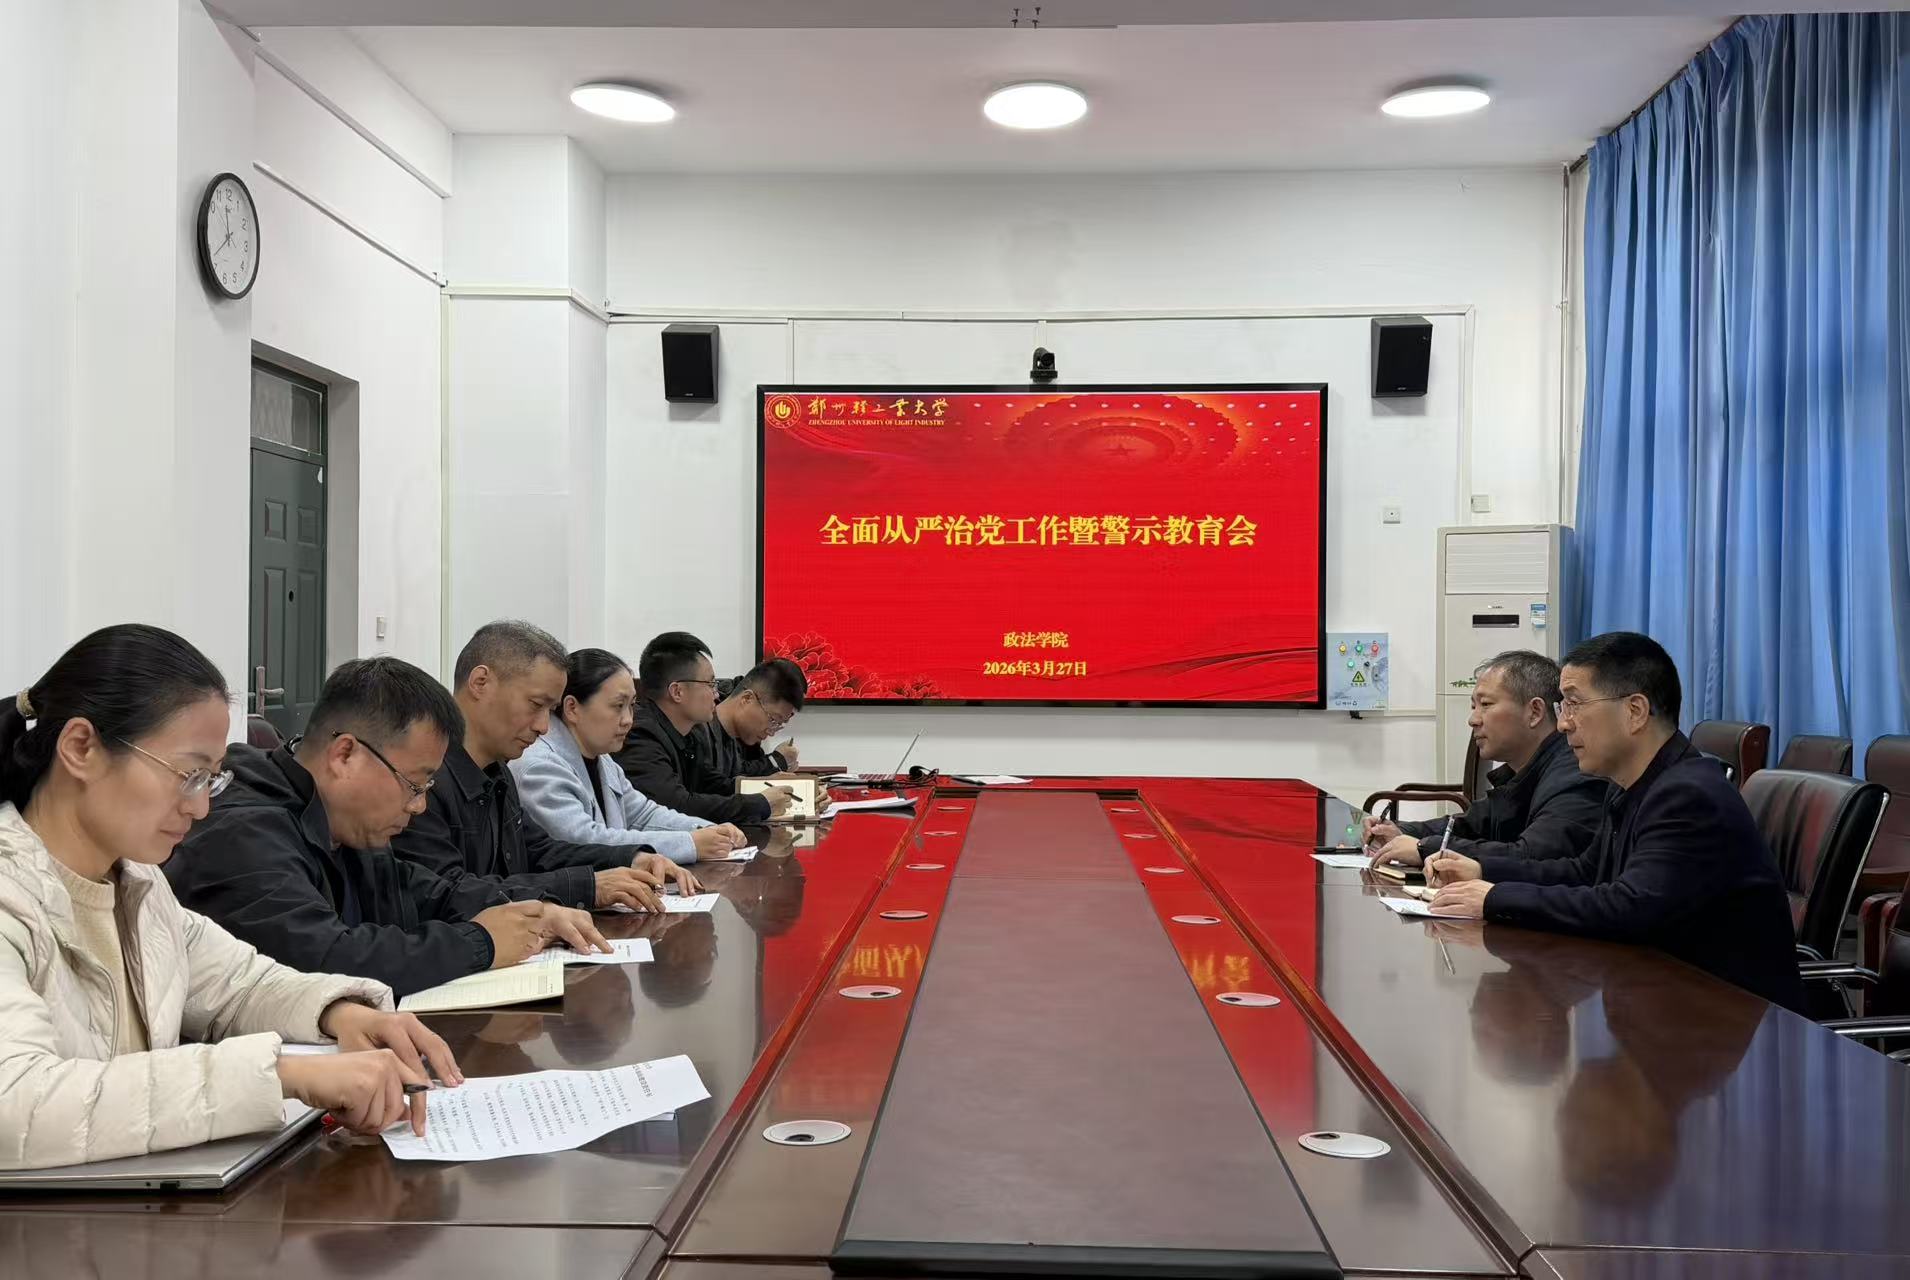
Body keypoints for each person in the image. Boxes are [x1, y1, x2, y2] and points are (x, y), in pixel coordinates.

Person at [0, 625, 458, 1169]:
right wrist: (281, 1074)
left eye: (211, 780)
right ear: (81, 748)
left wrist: (340, 1013)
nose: (200, 808)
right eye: (188, 774)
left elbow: (240, 983)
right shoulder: (13, 892)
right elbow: (16, 1104)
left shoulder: (137, 884)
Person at [170, 657, 611, 997]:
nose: (419, 805)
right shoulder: (243, 831)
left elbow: (424, 892)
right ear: (345, 755)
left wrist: (531, 913)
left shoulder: (344, 823)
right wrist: (481, 942)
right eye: (414, 784)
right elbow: (326, 958)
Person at [1426, 631, 1806, 1012]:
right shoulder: (1631, 784)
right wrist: (1482, 871)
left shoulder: (1688, 795)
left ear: (1635, 711)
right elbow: (1585, 872)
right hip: (1664, 1001)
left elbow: (1629, 907)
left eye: (1574, 704)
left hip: (1733, 1020)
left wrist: (1495, 898)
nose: (1563, 724)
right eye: (1562, 707)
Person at [392, 622, 695, 913]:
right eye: (536, 705)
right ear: (480, 682)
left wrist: (632, 858)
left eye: (550, 710)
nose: (543, 726)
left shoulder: (498, 771)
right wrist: (587, 887)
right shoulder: (422, 780)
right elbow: (446, 892)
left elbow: (540, 850)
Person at [1364, 650, 1609, 868]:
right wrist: (1400, 831)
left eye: (1486, 704)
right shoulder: (1519, 773)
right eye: (1474, 707)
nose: (1473, 719)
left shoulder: (1575, 775)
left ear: (1534, 712)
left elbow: (1533, 856)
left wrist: (1426, 848)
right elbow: (1467, 826)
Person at [514, 647, 740, 866]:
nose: (628, 720)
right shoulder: (540, 766)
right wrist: (690, 843)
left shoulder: (602, 757)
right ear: (572, 708)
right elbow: (586, 841)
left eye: (631, 706)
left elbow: (643, 815)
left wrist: (708, 830)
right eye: (618, 706)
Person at [615, 632, 796, 824]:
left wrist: (770, 787)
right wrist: (759, 804)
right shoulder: (639, 734)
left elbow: (712, 785)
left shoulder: (687, 734)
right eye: (710, 684)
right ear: (677, 692)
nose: (716, 694)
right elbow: (676, 806)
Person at [706, 659, 807, 779]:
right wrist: (776, 762)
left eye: (779, 724)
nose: (771, 732)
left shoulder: (734, 737)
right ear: (747, 699)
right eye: (773, 719)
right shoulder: (698, 734)